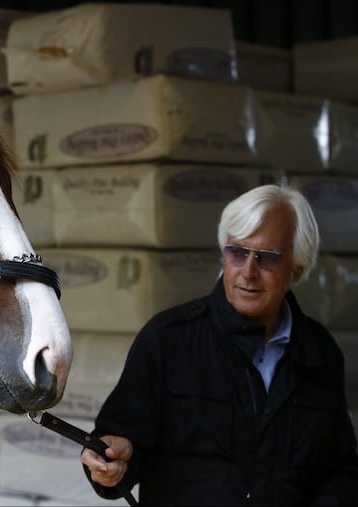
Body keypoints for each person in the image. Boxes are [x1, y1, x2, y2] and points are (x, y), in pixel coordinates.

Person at [81, 183, 358, 505]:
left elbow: (340, 471)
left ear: (296, 270)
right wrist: (111, 461)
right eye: (237, 253)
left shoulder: (320, 352)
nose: (248, 272)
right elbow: (119, 446)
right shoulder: (168, 339)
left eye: (266, 258)